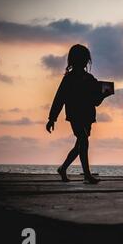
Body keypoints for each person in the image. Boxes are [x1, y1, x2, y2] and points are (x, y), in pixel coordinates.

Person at [46, 44, 104, 184]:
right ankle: (87, 175)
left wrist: (103, 95)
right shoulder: (69, 79)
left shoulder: (90, 79)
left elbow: (96, 101)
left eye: (85, 60)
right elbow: (59, 99)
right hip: (75, 115)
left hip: (88, 116)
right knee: (83, 140)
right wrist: (52, 118)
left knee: (80, 145)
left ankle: (63, 168)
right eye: (83, 59)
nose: (85, 62)